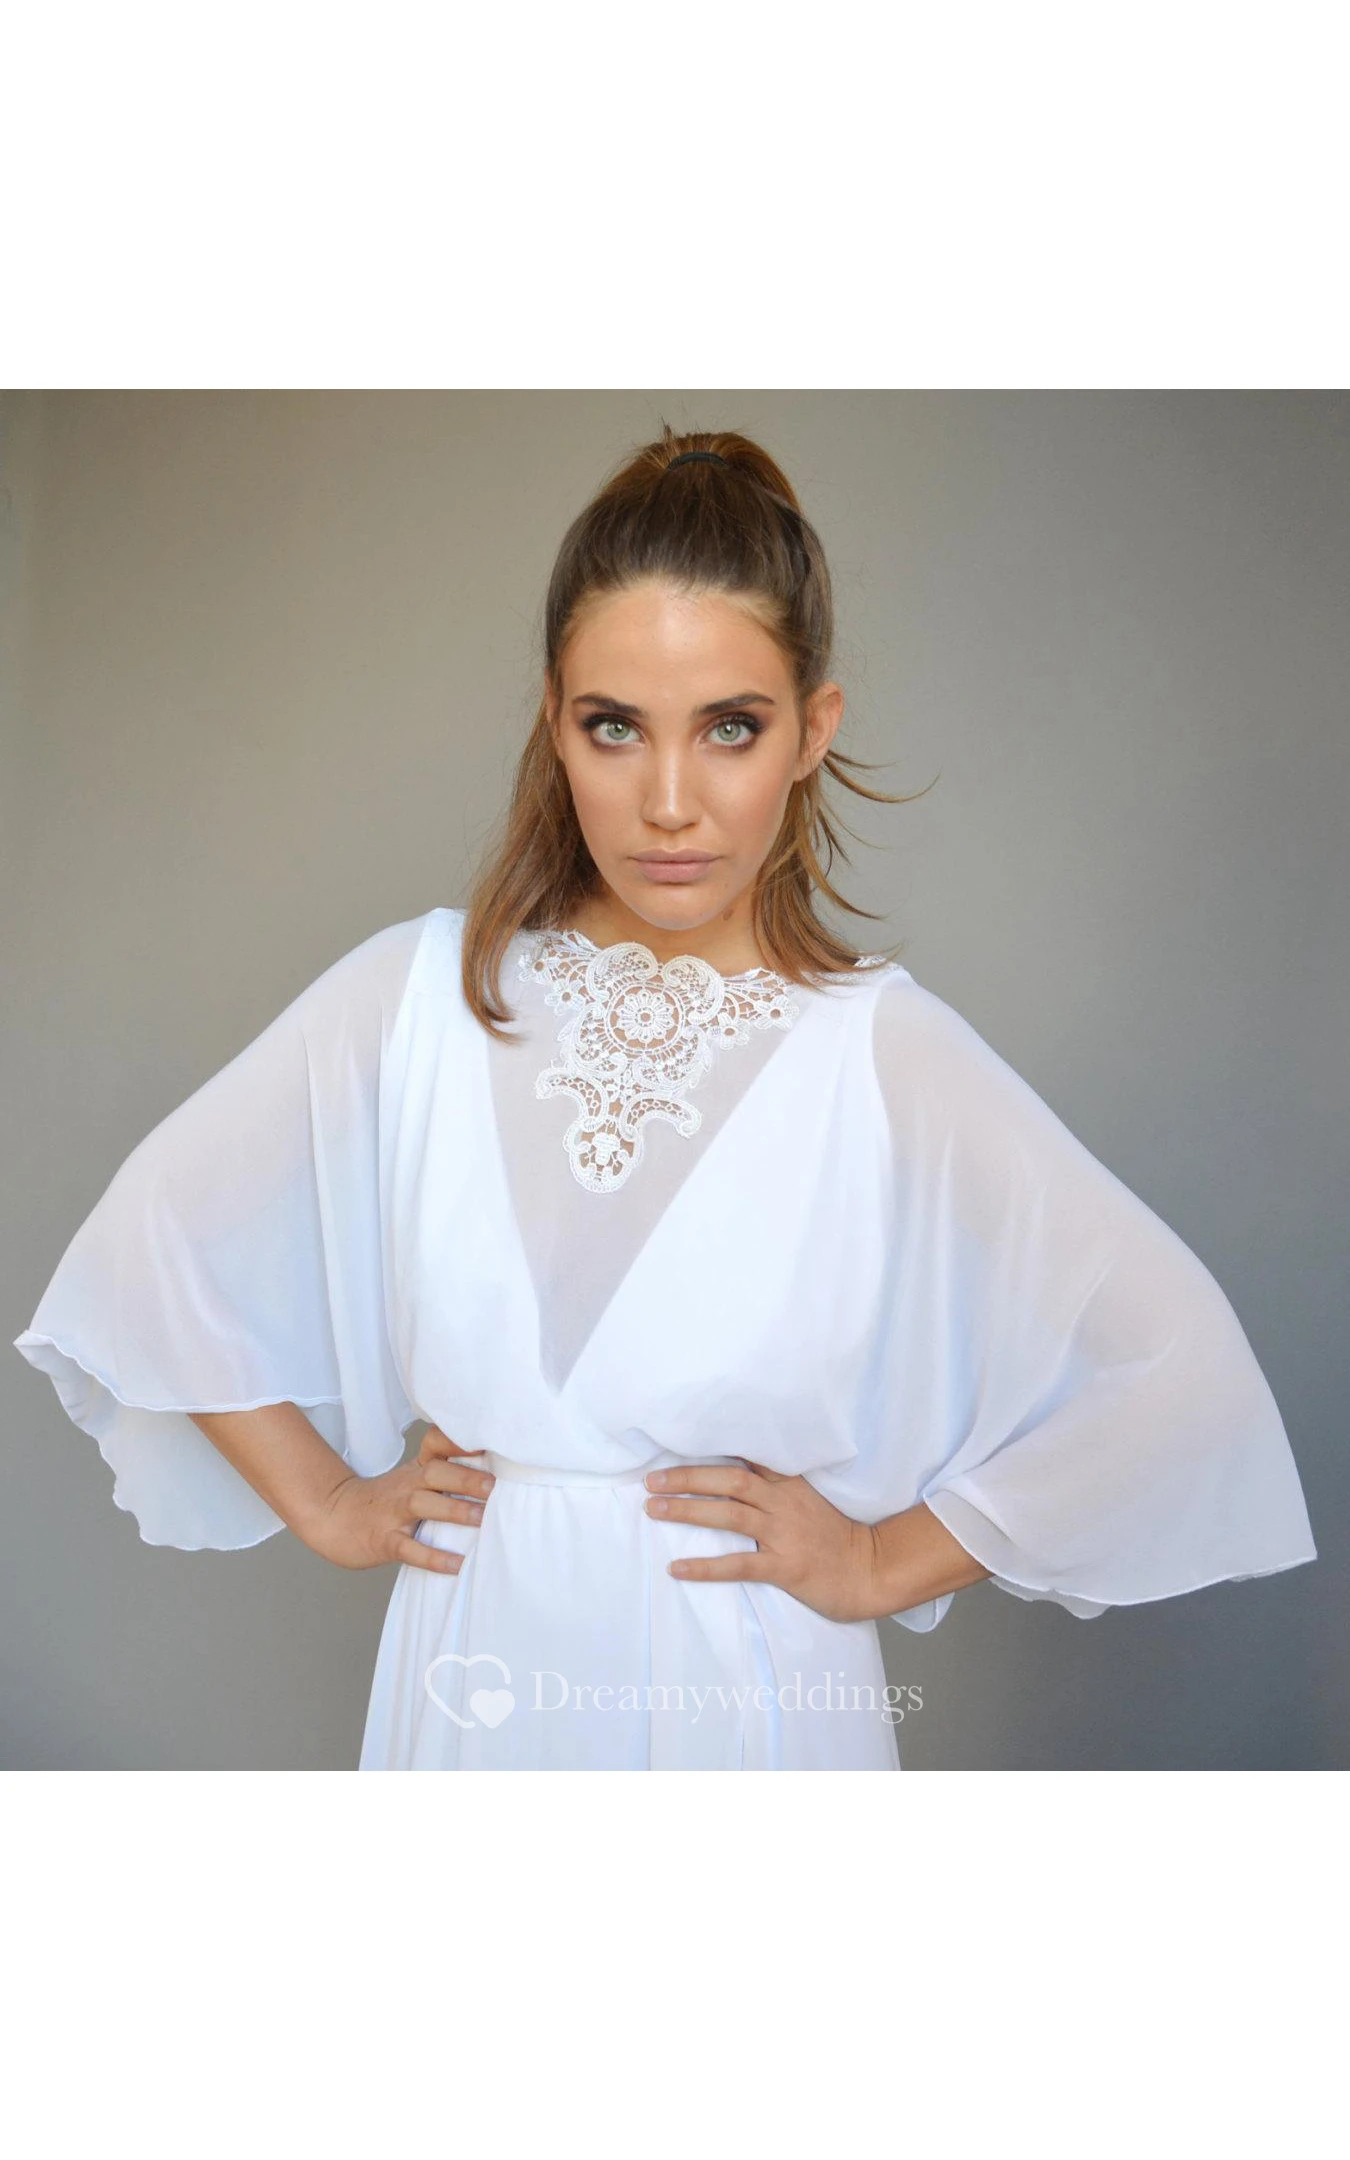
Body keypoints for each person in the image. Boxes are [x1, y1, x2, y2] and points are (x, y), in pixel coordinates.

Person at [12, 427, 1318, 1771]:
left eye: (730, 729)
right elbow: (151, 1243)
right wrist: (331, 1502)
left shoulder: (878, 1051)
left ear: (812, 732)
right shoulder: (413, 998)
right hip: (475, 1673)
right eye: (615, 727)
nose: (670, 802)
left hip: (746, 1696)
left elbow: (1174, 1368)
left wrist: (879, 1560)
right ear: (554, 721)